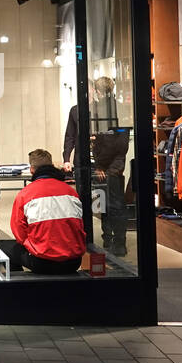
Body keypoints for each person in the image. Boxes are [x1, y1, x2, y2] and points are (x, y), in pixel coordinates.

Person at [62, 77, 129, 256]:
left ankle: (116, 241)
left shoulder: (114, 110)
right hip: (91, 163)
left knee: (112, 203)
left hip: (110, 165)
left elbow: (116, 141)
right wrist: (67, 158)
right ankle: (102, 239)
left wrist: (101, 164)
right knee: (96, 202)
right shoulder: (78, 111)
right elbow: (70, 136)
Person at [4, 149, 86, 274]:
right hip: (73, 262)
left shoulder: (25, 194)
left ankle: (21, 288)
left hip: (42, 262)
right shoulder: (71, 192)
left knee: (8, 250)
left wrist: (34, 246)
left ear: (32, 170)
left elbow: (19, 232)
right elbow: (79, 225)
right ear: (52, 166)